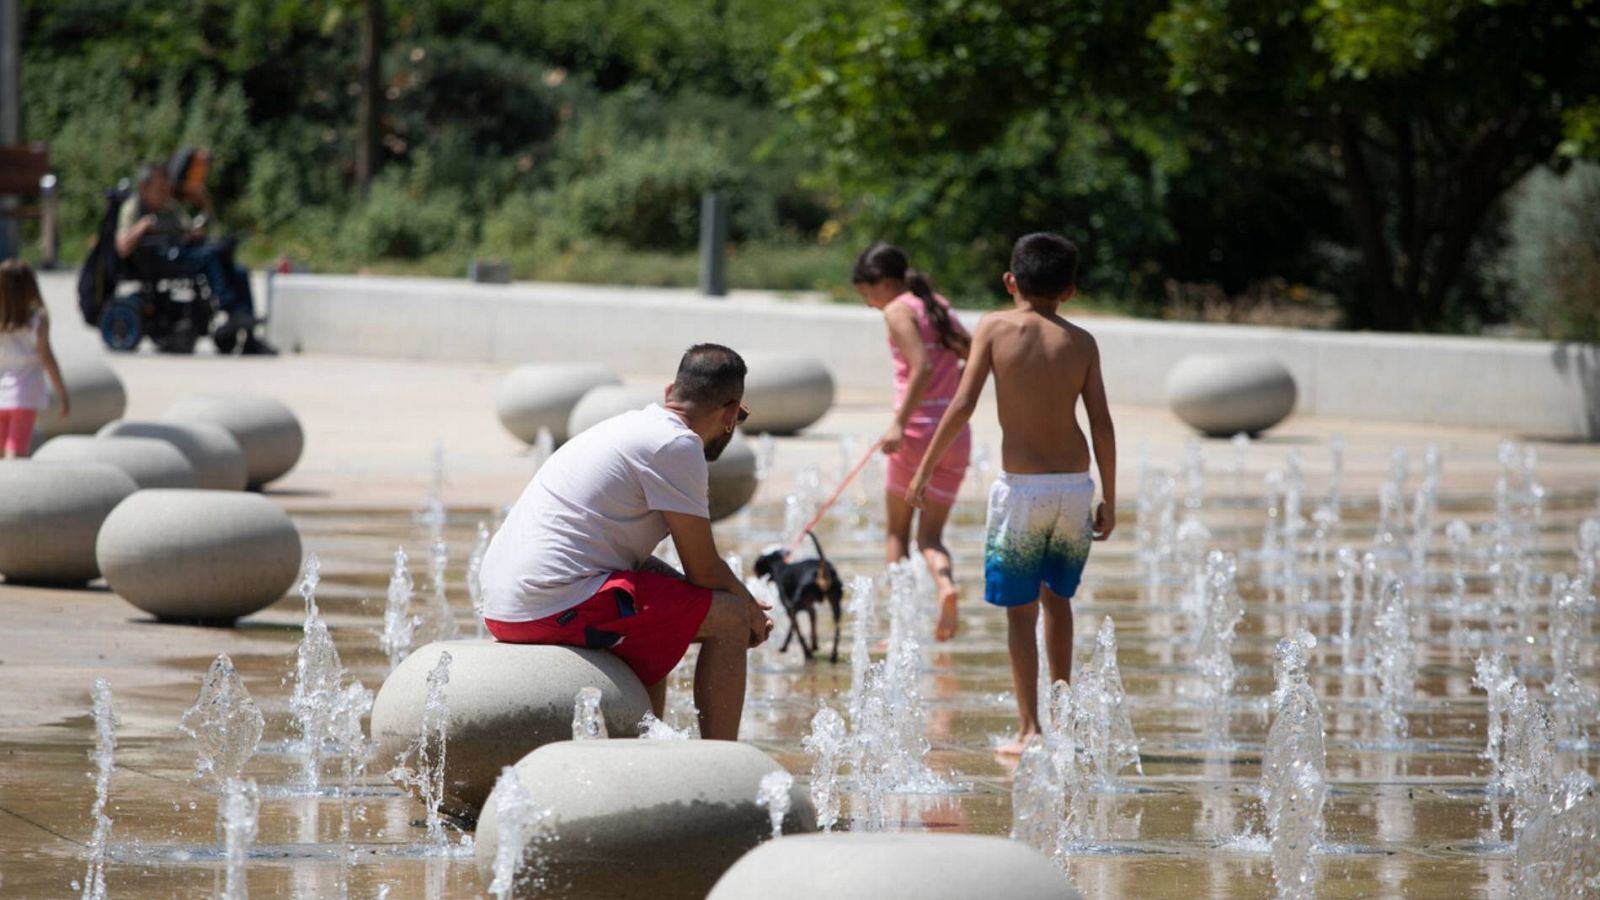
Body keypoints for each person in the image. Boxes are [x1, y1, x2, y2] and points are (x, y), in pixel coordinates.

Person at [479, 344, 774, 740]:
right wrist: (748, 610)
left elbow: (670, 573)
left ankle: (643, 750)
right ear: (728, 411)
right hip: (548, 607)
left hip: (506, 606)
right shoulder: (677, 446)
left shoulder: (628, 426)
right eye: (739, 416)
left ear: (671, 391)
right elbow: (703, 569)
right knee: (728, 618)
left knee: (662, 607)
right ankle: (722, 760)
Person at [907, 232, 1117, 755]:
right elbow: (1102, 425)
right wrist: (1110, 497)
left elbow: (962, 405)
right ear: (1069, 290)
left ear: (1009, 281)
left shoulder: (996, 327)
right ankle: (1063, 724)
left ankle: (1030, 730)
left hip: (1022, 491)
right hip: (1073, 485)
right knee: (1058, 601)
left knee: (1020, 611)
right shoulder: (1082, 342)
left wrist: (923, 471)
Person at [852, 243, 972, 642]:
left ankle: (898, 626)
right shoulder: (935, 303)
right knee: (931, 537)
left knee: (897, 533)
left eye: (868, 294)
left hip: (917, 432)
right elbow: (970, 352)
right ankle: (944, 586)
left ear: (884, 283)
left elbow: (919, 367)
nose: (869, 304)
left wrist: (898, 424)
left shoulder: (898, 310)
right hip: (954, 433)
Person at [114, 160, 276, 355]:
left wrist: (194, 232)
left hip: (181, 255)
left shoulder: (169, 207)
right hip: (157, 261)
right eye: (160, 189)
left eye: (166, 188)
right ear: (144, 187)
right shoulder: (132, 208)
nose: (165, 193)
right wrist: (143, 226)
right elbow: (122, 246)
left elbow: (187, 228)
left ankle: (248, 334)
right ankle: (229, 306)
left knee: (238, 271)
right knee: (209, 257)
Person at [0, 260, 69, 457]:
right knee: (16, 450)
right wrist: (62, 393)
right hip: (24, 395)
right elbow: (46, 357)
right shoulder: (37, 320)